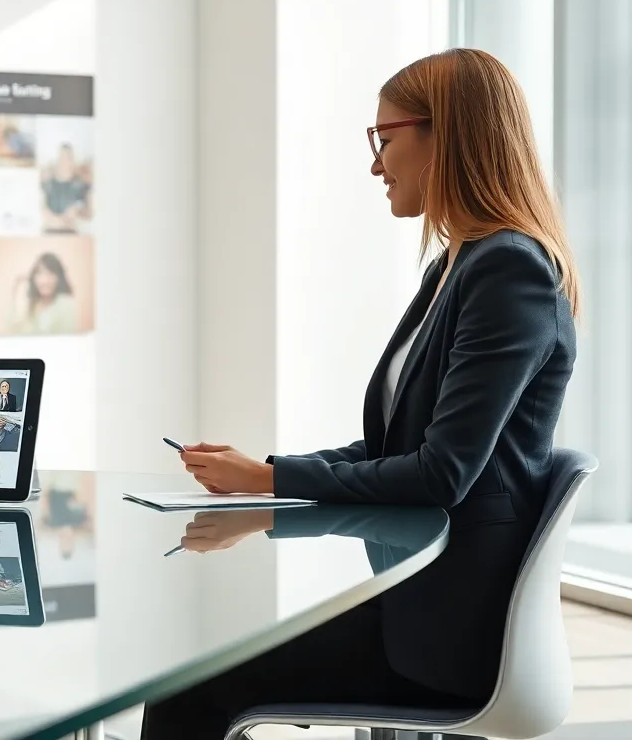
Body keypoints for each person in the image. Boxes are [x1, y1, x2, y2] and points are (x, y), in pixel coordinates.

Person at [142, 48, 579, 739]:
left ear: (448, 134)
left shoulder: (507, 270)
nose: (375, 164)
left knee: (190, 680)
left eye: (385, 138)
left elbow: (441, 474)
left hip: (448, 635)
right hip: (412, 599)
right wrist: (264, 475)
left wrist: (270, 478)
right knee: (203, 657)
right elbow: (390, 449)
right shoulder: (458, 265)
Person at [12, 252, 77, 334]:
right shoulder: (29, 303)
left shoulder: (66, 304)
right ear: (33, 277)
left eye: (50, 274)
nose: (45, 281)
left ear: (59, 278)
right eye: (39, 273)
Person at [41, 143, 91, 232]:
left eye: (68, 158)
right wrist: (55, 220)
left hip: (70, 233)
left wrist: (78, 211)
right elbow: (43, 209)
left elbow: (86, 212)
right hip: (50, 232)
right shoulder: (48, 183)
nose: (65, 162)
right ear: (58, 160)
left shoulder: (79, 185)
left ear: (72, 160)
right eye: (62, 158)